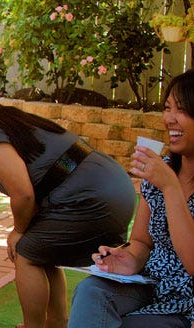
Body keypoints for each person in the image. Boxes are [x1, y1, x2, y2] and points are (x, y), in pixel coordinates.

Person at [0, 87, 135, 328]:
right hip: (114, 189)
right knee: (43, 252)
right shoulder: (16, 121)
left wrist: (18, 231)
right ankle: (56, 323)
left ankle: (35, 326)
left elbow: (23, 195)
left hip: (93, 200)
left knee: (26, 252)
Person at [68, 70, 194, 328]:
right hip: (151, 284)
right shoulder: (162, 170)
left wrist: (170, 187)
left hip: (187, 302)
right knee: (91, 292)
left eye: (181, 110)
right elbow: (140, 241)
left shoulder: (164, 177)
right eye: (167, 108)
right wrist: (128, 258)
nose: (169, 119)